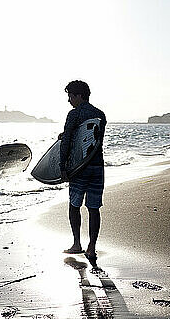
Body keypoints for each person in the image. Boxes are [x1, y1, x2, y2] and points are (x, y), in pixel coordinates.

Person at [60, 80, 106, 265]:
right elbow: (91, 140)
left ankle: (77, 243)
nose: (69, 100)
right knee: (94, 208)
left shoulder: (74, 114)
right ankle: (92, 247)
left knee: (74, 205)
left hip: (79, 168)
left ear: (79, 95)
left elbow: (69, 141)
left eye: (71, 96)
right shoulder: (100, 114)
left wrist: (63, 166)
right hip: (97, 166)